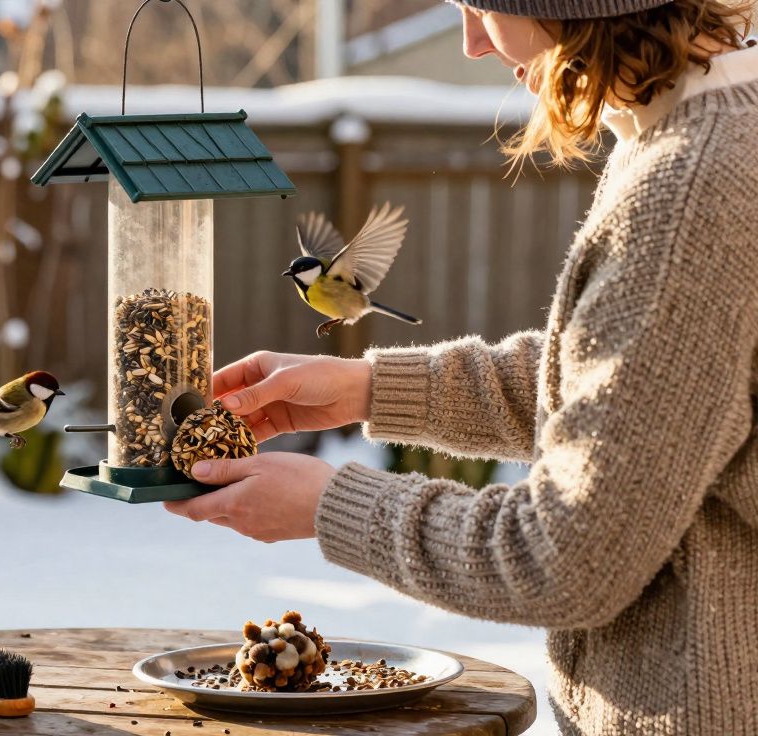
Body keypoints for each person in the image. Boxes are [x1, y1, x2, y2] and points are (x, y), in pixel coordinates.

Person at [162, 1, 758, 733]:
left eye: (482, 8)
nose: (473, 42)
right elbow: (648, 386)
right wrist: (370, 389)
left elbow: (569, 557)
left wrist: (330, 507)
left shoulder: (690, 185)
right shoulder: (712, 132)